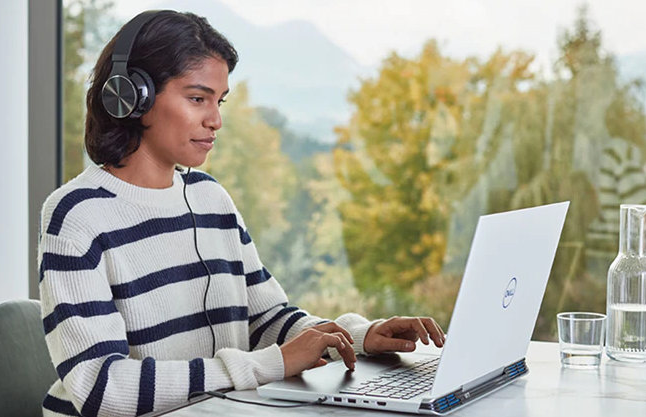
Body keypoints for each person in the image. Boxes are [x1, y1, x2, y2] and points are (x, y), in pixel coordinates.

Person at [38, 10, 445, 417]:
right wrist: (271, 364)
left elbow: (266, 319)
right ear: (132, 97)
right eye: (197, 98)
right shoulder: (77, 215)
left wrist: (358, 337)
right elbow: (101, 388)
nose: (215, 120)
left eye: (219, 101)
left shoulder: (210, 199)